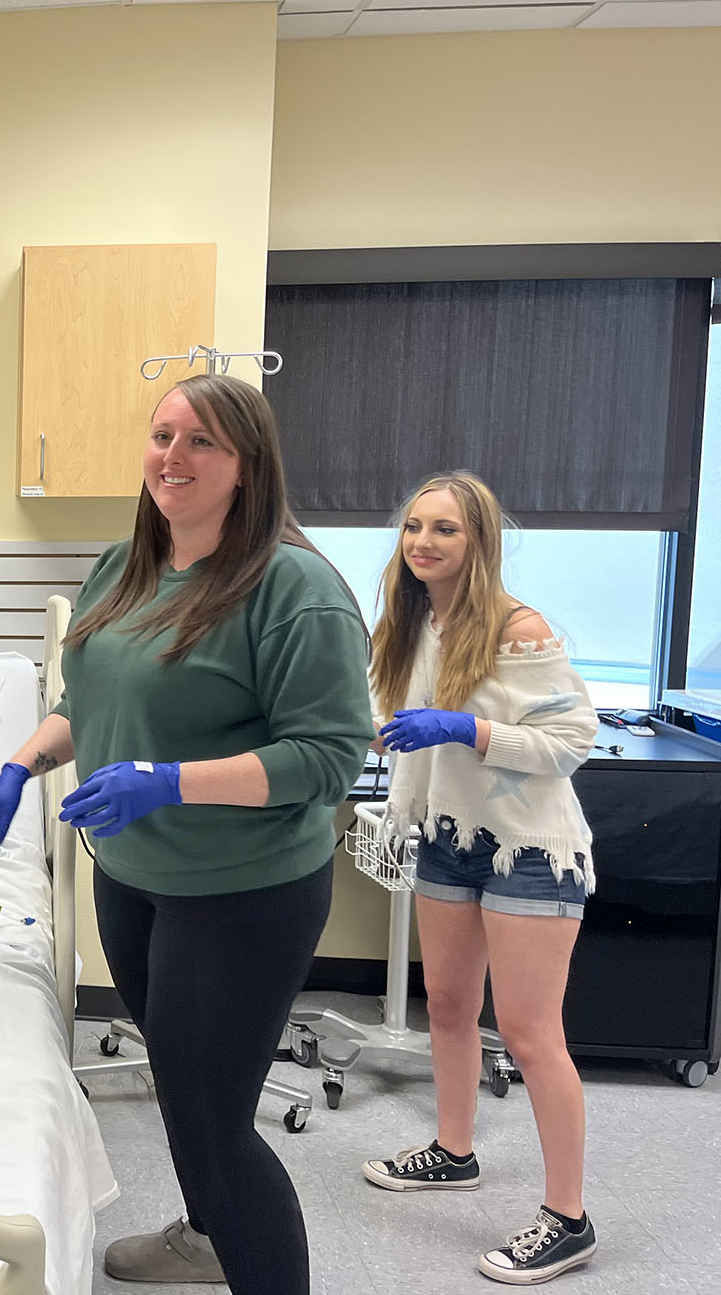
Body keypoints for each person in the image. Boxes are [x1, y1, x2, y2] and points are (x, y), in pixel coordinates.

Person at [0, 373, 372, 1294]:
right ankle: (202, 1238)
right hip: (137, 880)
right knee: (183, 1095)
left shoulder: (293, 589)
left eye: (202, 442)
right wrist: (19, 765)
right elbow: (92, 700)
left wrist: (170, 781)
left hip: (243, 893)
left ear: (247, 466)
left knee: (213, 1121)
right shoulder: (125, 566)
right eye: (161, 435)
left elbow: (329, 758)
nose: (173, 457)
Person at [359, 471, 599, 1285]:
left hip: (530, 845)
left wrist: (471, 728)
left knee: (531, 1036)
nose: (422, 542)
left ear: (480, 543)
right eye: (414, 526)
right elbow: (382, 716)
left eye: (446, 531)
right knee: (453, 1007)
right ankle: (454, 1151)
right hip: (450, 838)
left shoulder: (516, 627)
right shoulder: (412, 622)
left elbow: (572, 739)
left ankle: (569, 1218)